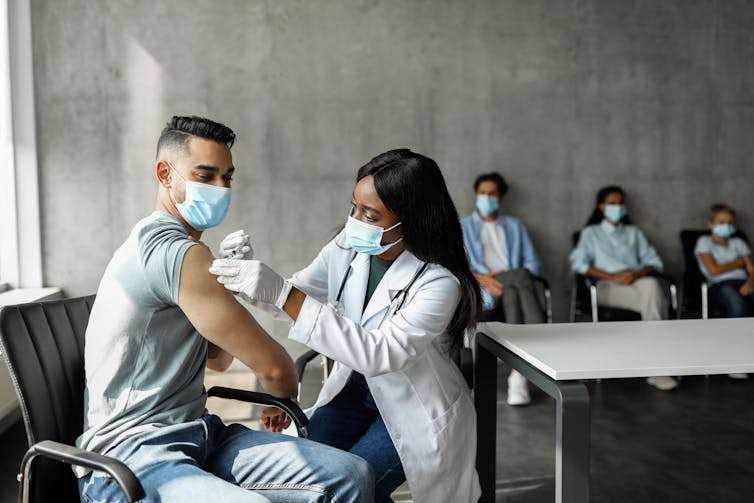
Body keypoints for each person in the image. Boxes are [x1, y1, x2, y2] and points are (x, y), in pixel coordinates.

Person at [76, 115, 373, 502]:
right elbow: (276, 368)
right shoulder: (173, 253)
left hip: (197, 434)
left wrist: (225, 291)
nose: (220, 188)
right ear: (165, 173)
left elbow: (216, 360)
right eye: (205, 175)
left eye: (226, 177)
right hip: (132, 457)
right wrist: (281, 400)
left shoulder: (183, 252)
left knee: (352, 475)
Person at [210, 149, 483, 503]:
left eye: (370, 215)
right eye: (354, 207)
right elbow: (295, 297)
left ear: (411, 220)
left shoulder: (440, 283)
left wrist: (282, 292)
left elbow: (380, 353)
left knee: (349, 485)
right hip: (353, 392)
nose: (355, 221)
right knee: (305, 475)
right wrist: (247, 275)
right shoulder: (347, 247)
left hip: (412, 409)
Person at [569, 185, 678, 391]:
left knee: (652, 285)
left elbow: (654, 262)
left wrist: (635, 274)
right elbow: (579, 265)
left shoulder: (634, 233)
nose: (617, 207)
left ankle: (656, 365)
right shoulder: (590, 233)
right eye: (612, 203)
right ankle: (659, 366)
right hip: (605, 286)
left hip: (637, 281)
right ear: (601, 207)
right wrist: (613, 276)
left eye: (620, 203)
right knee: (656, 301)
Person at [461, 172, 544, 406]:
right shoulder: (463, 227)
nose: (487, 197)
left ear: (502, 197)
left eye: (492, 194)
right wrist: (486, 279)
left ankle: (517, 378)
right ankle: (526, 365)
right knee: (519, 280)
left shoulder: (515, 227)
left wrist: (506, 277)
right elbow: (457, 268)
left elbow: (533, 265)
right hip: (485, 288)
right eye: (482, 193)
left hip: (512, 289)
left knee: (517, 284)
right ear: (476, 195)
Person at [695, 203, 753, 378]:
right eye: (721, 222)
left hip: (744, 283)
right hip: (719, 286)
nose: (726, 226)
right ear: (711, 223)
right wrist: (737, 263)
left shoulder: (738, 242)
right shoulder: (704, 242)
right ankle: (735, 359)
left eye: (729, 222)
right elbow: (713, 270)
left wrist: (750, 283)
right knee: (737, 305)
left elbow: (751, 269)